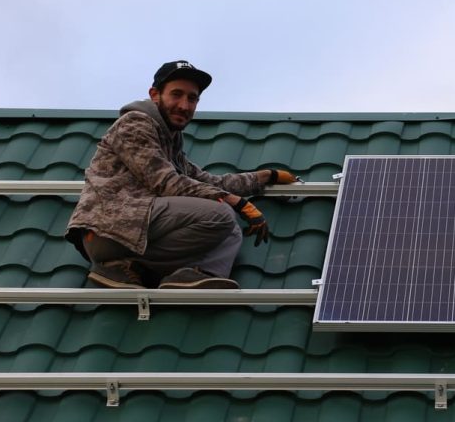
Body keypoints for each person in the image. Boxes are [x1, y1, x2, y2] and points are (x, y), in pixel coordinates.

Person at [64, 60, 300, 289]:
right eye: (176, 94)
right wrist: (236, 202)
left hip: (137, 230)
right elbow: (166, 182)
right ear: (155, 94)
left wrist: (264, 177)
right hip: (107, 231)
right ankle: (115, 264)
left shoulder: (169, 140)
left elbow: (206, 181)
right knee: (221, 214)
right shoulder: (134, 124)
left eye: (192, 98)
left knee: (231, 230)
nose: (184, 106)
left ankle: (190, 277)